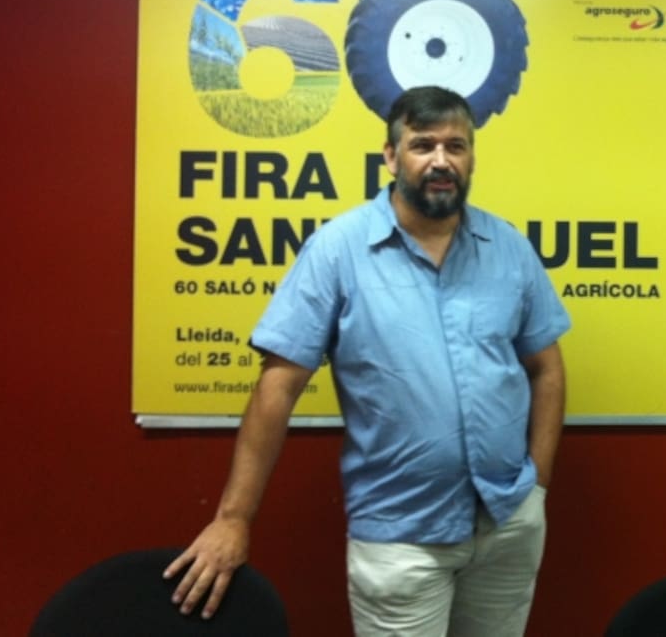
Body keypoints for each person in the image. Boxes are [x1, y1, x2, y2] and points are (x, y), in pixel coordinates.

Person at [165, 85, 570, 637]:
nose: (441, 160)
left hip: (508, 521)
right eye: (423, 145)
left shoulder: (509, 248)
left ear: (472, 157)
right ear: (391, 156)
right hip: (400, 536)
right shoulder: (338, 249)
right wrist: (233, 519)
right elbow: (277, 387)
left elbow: (546, 368)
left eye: (456, 146)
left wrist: (537, 486)